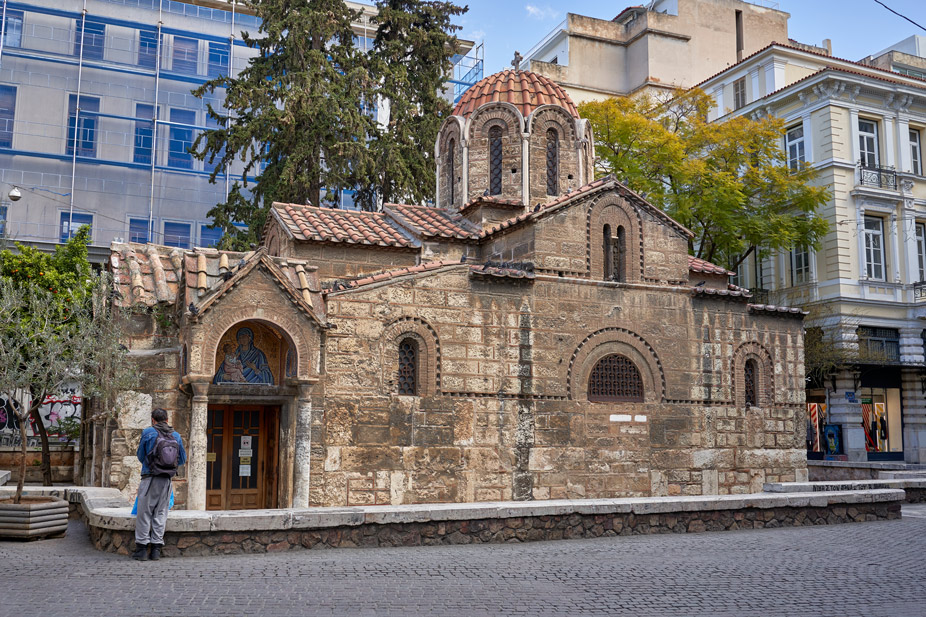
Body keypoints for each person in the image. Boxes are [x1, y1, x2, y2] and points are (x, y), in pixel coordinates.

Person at [133, 408, 186, 561]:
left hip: (149, 478)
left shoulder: (148, 433)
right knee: (161, 513)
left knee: (144, 514)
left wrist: (151, 465)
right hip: (166, 480)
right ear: (167, 420)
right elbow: (182, 459)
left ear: (153, 420)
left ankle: (142, 549)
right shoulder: (175, 435)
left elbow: (140, 455)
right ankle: (156, 549)